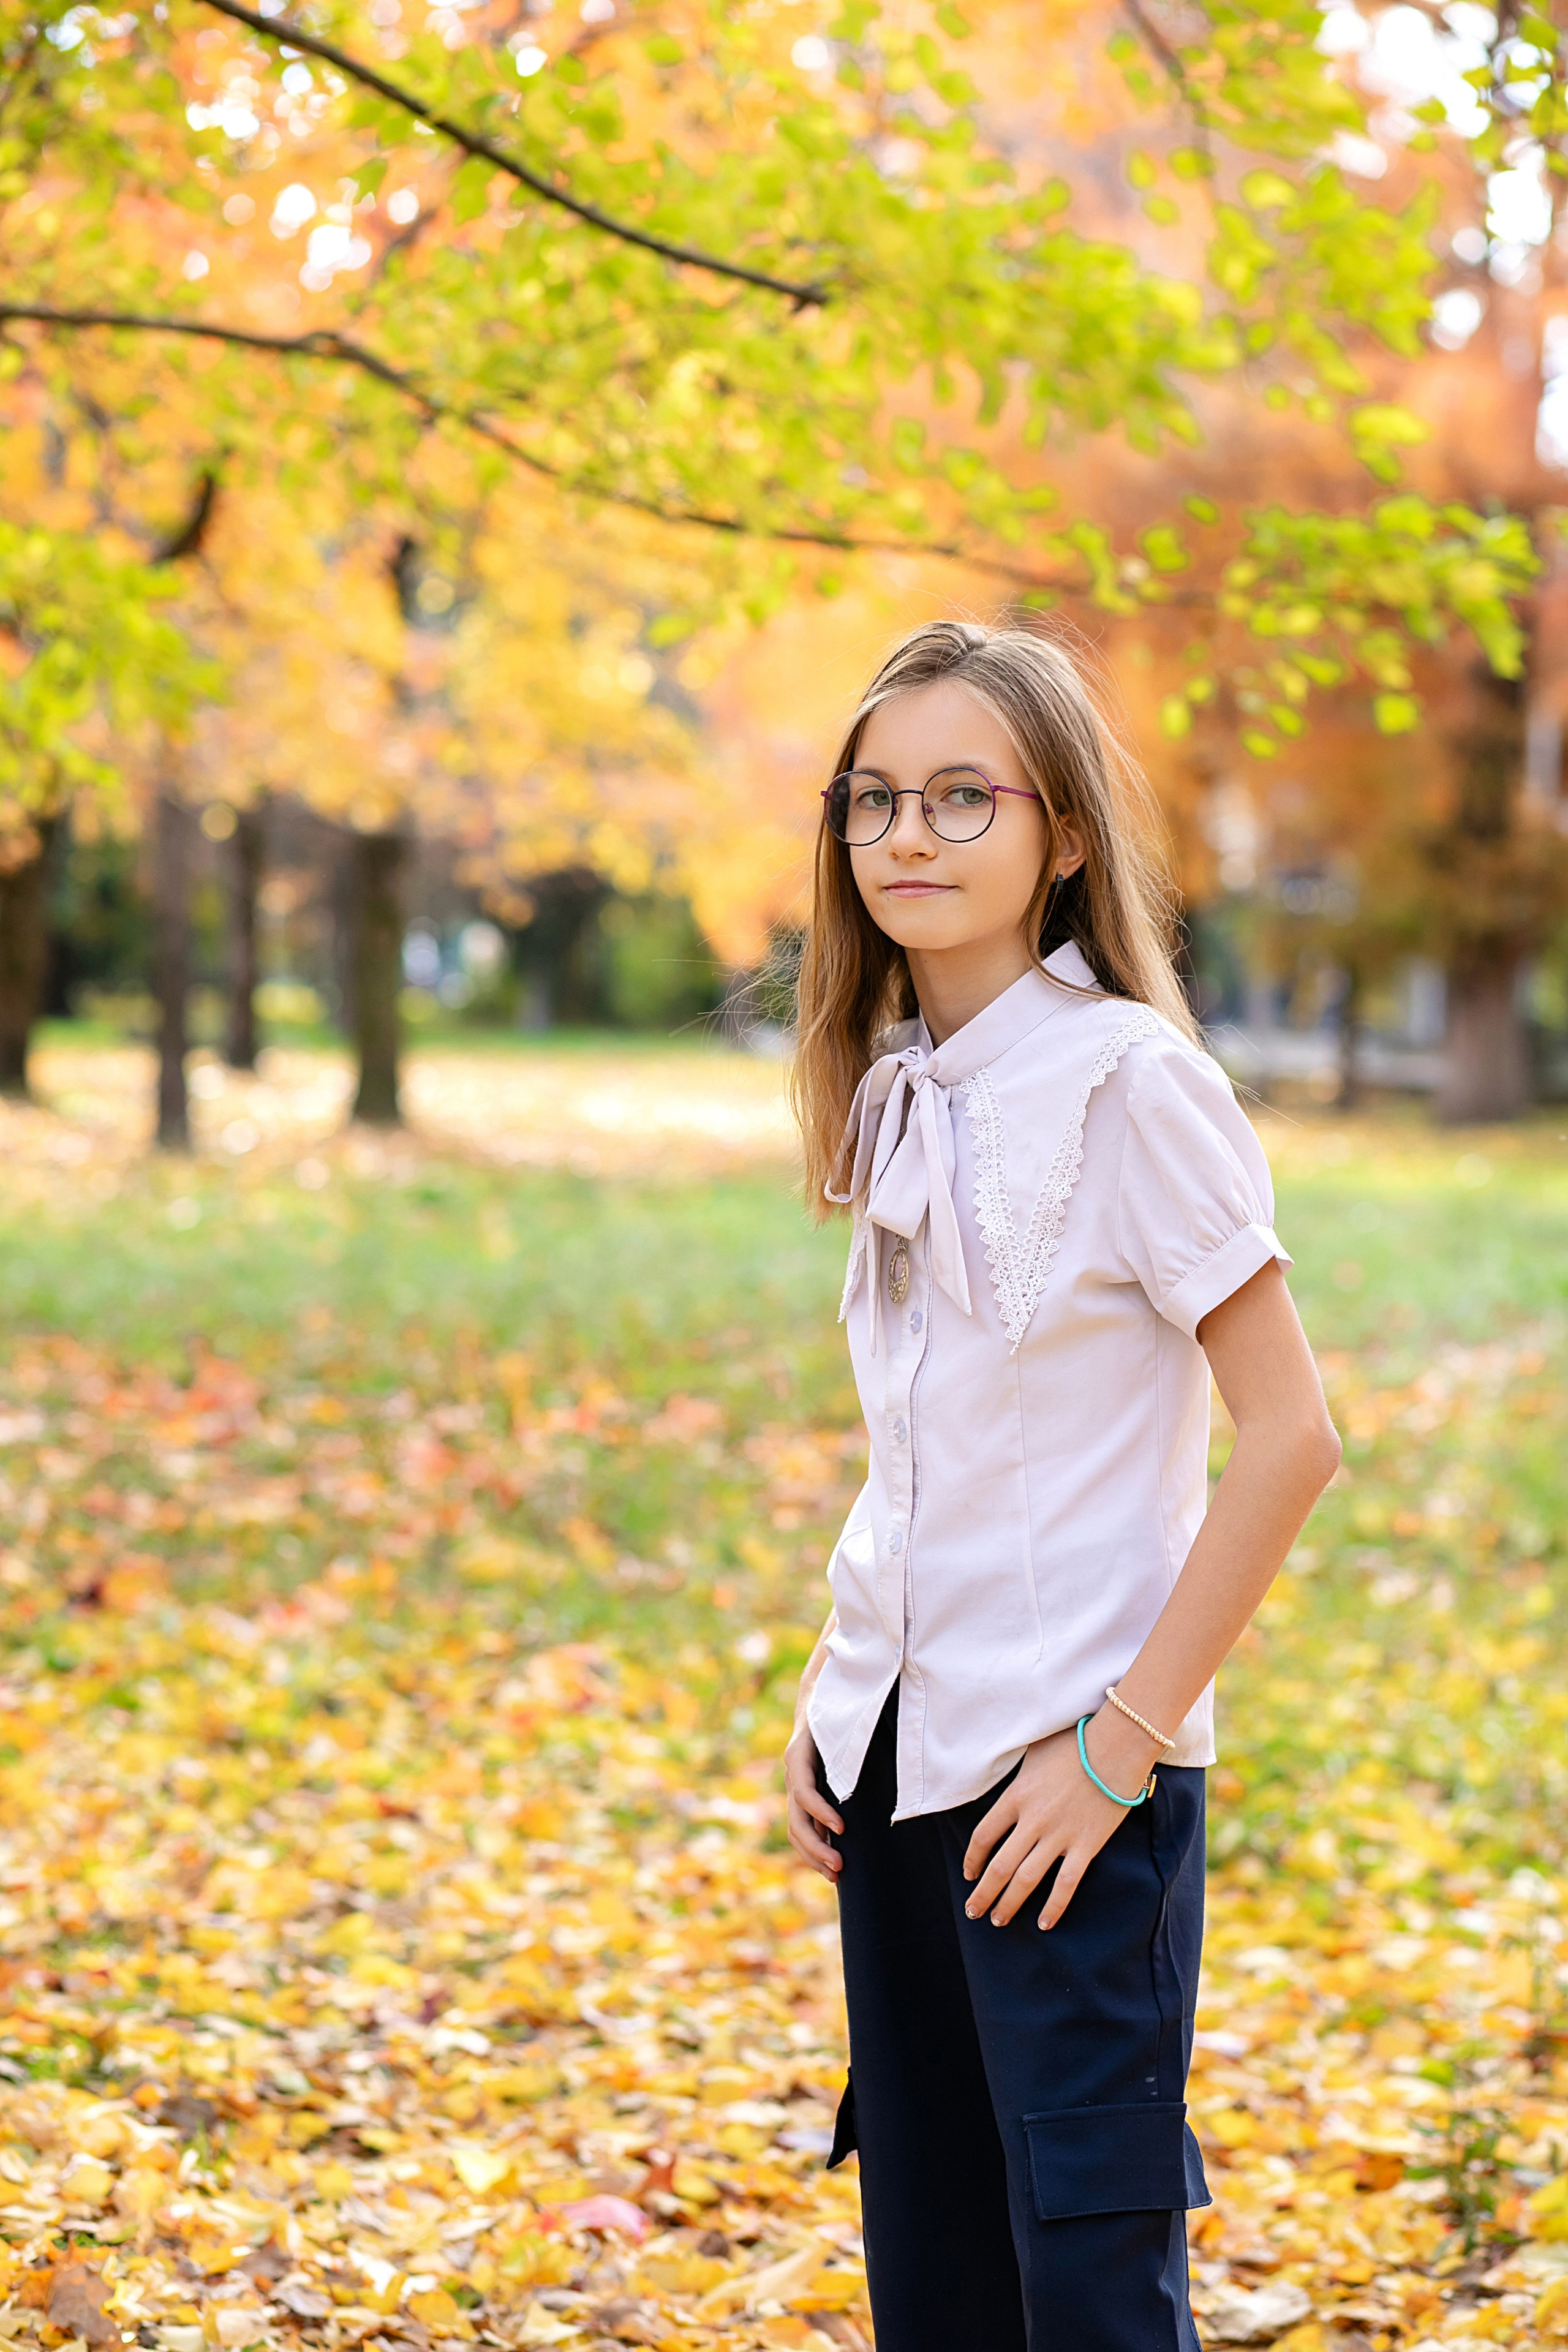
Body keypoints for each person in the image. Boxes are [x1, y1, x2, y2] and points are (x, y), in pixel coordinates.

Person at [783, 619, 1341, 2351]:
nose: (911, 836)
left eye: (964, 796)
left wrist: (1118, 1744)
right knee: (935, 2283)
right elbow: (927, 1448)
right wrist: (840, 1688)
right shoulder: (895, 1092)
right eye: (877, 799)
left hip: (1068, 1798)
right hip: (900, 1775)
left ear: (1066, 835)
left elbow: (1295, 1436)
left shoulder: (1135, 1087)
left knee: (1089, 2300)